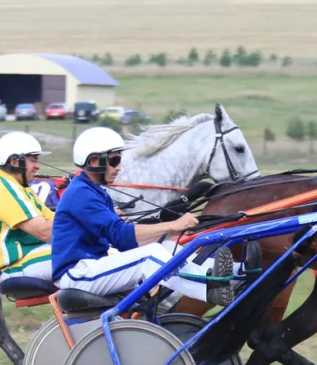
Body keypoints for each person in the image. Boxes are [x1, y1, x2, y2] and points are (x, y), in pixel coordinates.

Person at [52, 127, 252, 306]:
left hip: (93, 267)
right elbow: (120, 236)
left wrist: (166, 231)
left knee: (167, 247)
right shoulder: (81, 193)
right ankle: (209, 288)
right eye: (114, 161)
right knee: (151, 255)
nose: (119, 167)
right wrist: (172, 225)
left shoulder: (95, 191)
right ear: (94, 161)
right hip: (77, 274)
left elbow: (122, 240)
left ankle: (237, 273)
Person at [0, 131, 55, 283]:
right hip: (12, 266)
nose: (37, 166)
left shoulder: (21, 187)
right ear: (14, 162)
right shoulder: (2, 189)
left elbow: (53, 219)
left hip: (28, 256)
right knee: (83, 253)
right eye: (33, 160)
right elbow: (45, 232)